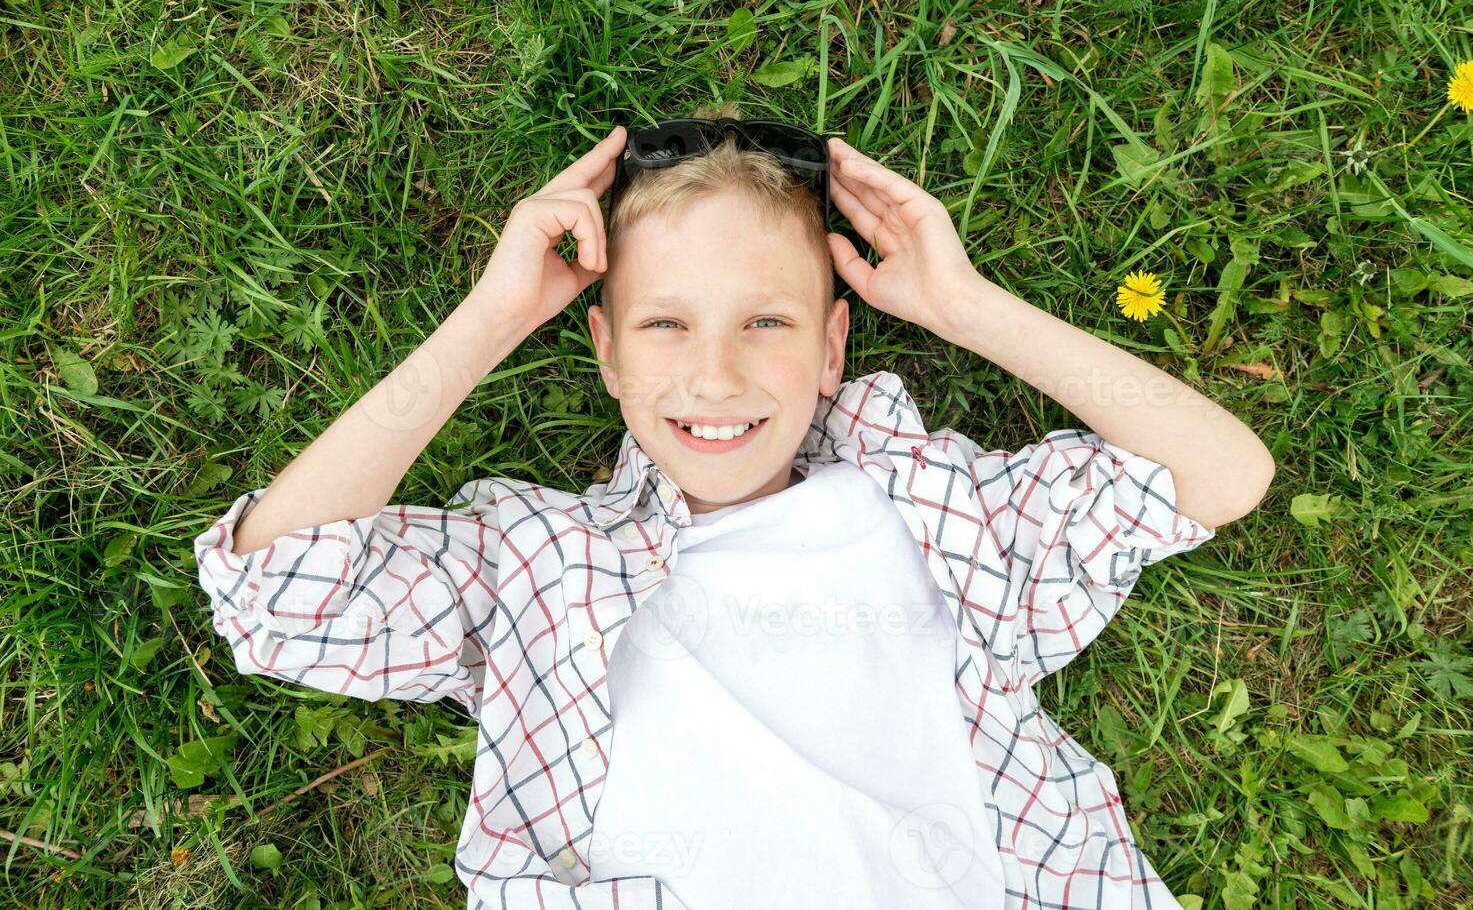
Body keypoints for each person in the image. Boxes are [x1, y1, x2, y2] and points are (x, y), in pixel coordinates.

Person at [192, 110, 1275, 910]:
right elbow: (276, 594)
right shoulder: (539, 562)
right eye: (665, 324)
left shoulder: (926, 504)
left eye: (766, 321)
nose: (715, 377)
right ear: (605, 353)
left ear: (833, 347)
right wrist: (491, 315)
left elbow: (1219, 473)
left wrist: (966, 306)